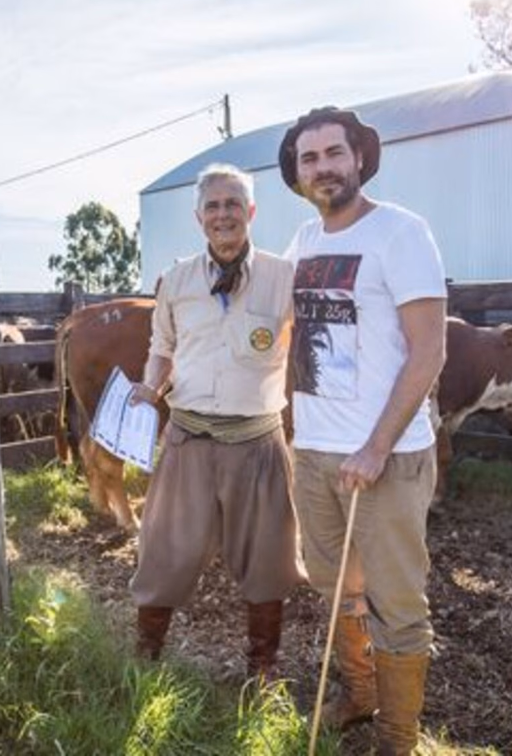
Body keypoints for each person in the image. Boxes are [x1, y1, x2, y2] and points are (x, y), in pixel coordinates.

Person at [278, 106, 447, 754]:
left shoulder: (401, 234)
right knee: (334, 584)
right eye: (308, 158)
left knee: (397, 601)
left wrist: (376, 446)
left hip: (387, 457)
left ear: (358, 158)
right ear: (297, 174)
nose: (322, 167)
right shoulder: (303, 243)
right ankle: (360, 692)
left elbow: (428, 350)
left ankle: (397, 736)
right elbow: (281, 331)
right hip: (315, 453)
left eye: (332, 153)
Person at [129, 162, 304, 679]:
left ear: (250, 212)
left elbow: (309, 349)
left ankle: (262, 673)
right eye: (213, 206)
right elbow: (162, 348)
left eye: (233, 204)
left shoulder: (283, 278)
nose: (223, 214)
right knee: (162, 553)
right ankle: (145, 658)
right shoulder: (176, 280)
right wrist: (149, 387)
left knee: (269, 562)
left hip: (258, 444)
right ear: (198, 216)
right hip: (188, 440)